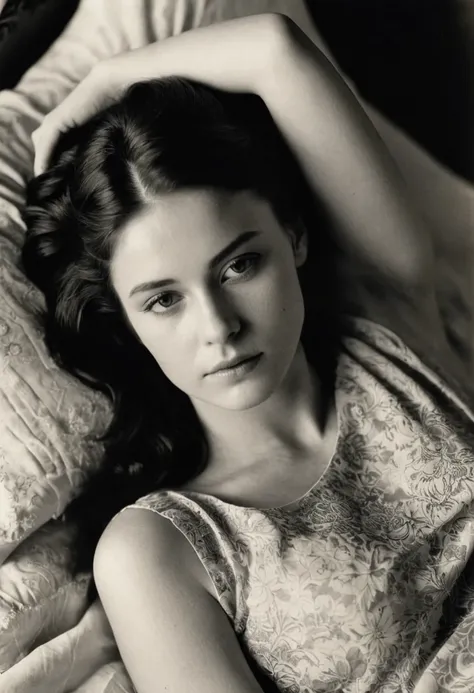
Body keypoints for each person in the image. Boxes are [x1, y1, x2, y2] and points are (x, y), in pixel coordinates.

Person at [22, 13, 474, 693]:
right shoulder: (159, 548)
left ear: (291, 238)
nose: (219, 326)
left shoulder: (388, 319)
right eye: (164, 300)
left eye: (240, 264)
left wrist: (111, 78)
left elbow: (273, 46)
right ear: (125, 320)